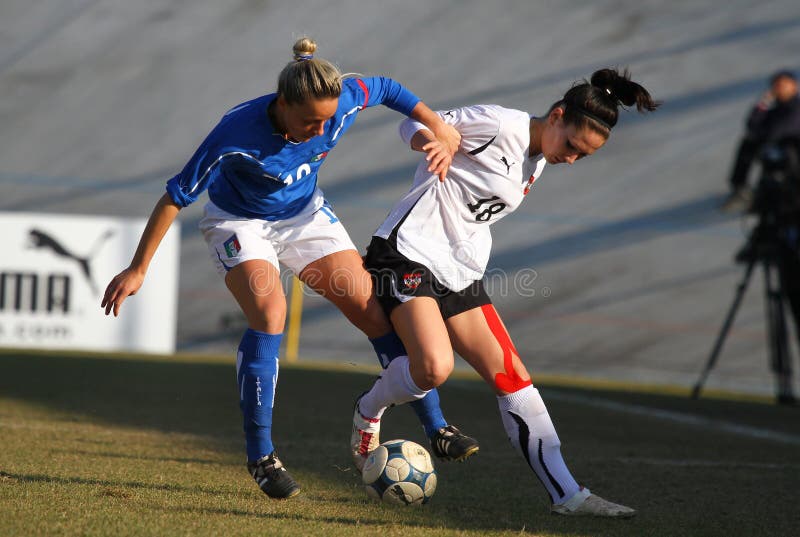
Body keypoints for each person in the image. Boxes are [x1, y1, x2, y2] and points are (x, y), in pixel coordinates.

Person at [100, 37, 479, 500]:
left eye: (326, 121)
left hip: (304, 217)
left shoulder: (343, 99)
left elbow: (387, 88)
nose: (320, 131)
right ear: (282, 104)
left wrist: (437, 126)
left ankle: (436, 425)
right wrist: (139, 268)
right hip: (239, 221)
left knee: (373, 311)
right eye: (309, 122)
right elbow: (175, 197)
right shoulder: (235, 134)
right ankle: (261, 455)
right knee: (271, 314)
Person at [350, 68, 659, 517]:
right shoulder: (500, 125)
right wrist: (434, 140)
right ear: (556, 116)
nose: (571, 159)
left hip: (460, 271)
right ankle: (368, 410)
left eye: (583, 156)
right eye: (572, 146)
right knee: (434, 368)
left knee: (511, 375)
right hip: (406, 253)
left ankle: (568, 496)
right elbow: (413, 122)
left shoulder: (538, 157)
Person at [721, 69, 800, 212]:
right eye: (776, 85)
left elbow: (782, 128)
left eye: (783, 84)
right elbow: (751, 125)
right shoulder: (774, 110)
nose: (779, 88)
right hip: (772, 146)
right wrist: (763, 103)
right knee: (748, 144)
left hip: (791, 149)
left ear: (794, 86)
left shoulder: (796, 107)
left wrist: (763, 135)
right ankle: (740, 188)